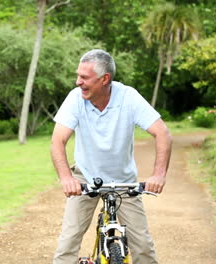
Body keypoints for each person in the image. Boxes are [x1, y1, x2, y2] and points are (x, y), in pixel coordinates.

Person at [51, 49, 172, 264]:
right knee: (67, 244)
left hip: (124, 182)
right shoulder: (75, 99)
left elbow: (162, 133)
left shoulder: (128, 97)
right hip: (85, 179)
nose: (78, 82)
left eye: (84, 77)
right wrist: (67, 178)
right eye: (78, 76)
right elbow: (58, 141)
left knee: (143, 247)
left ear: (105, 79)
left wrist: (159, 175)